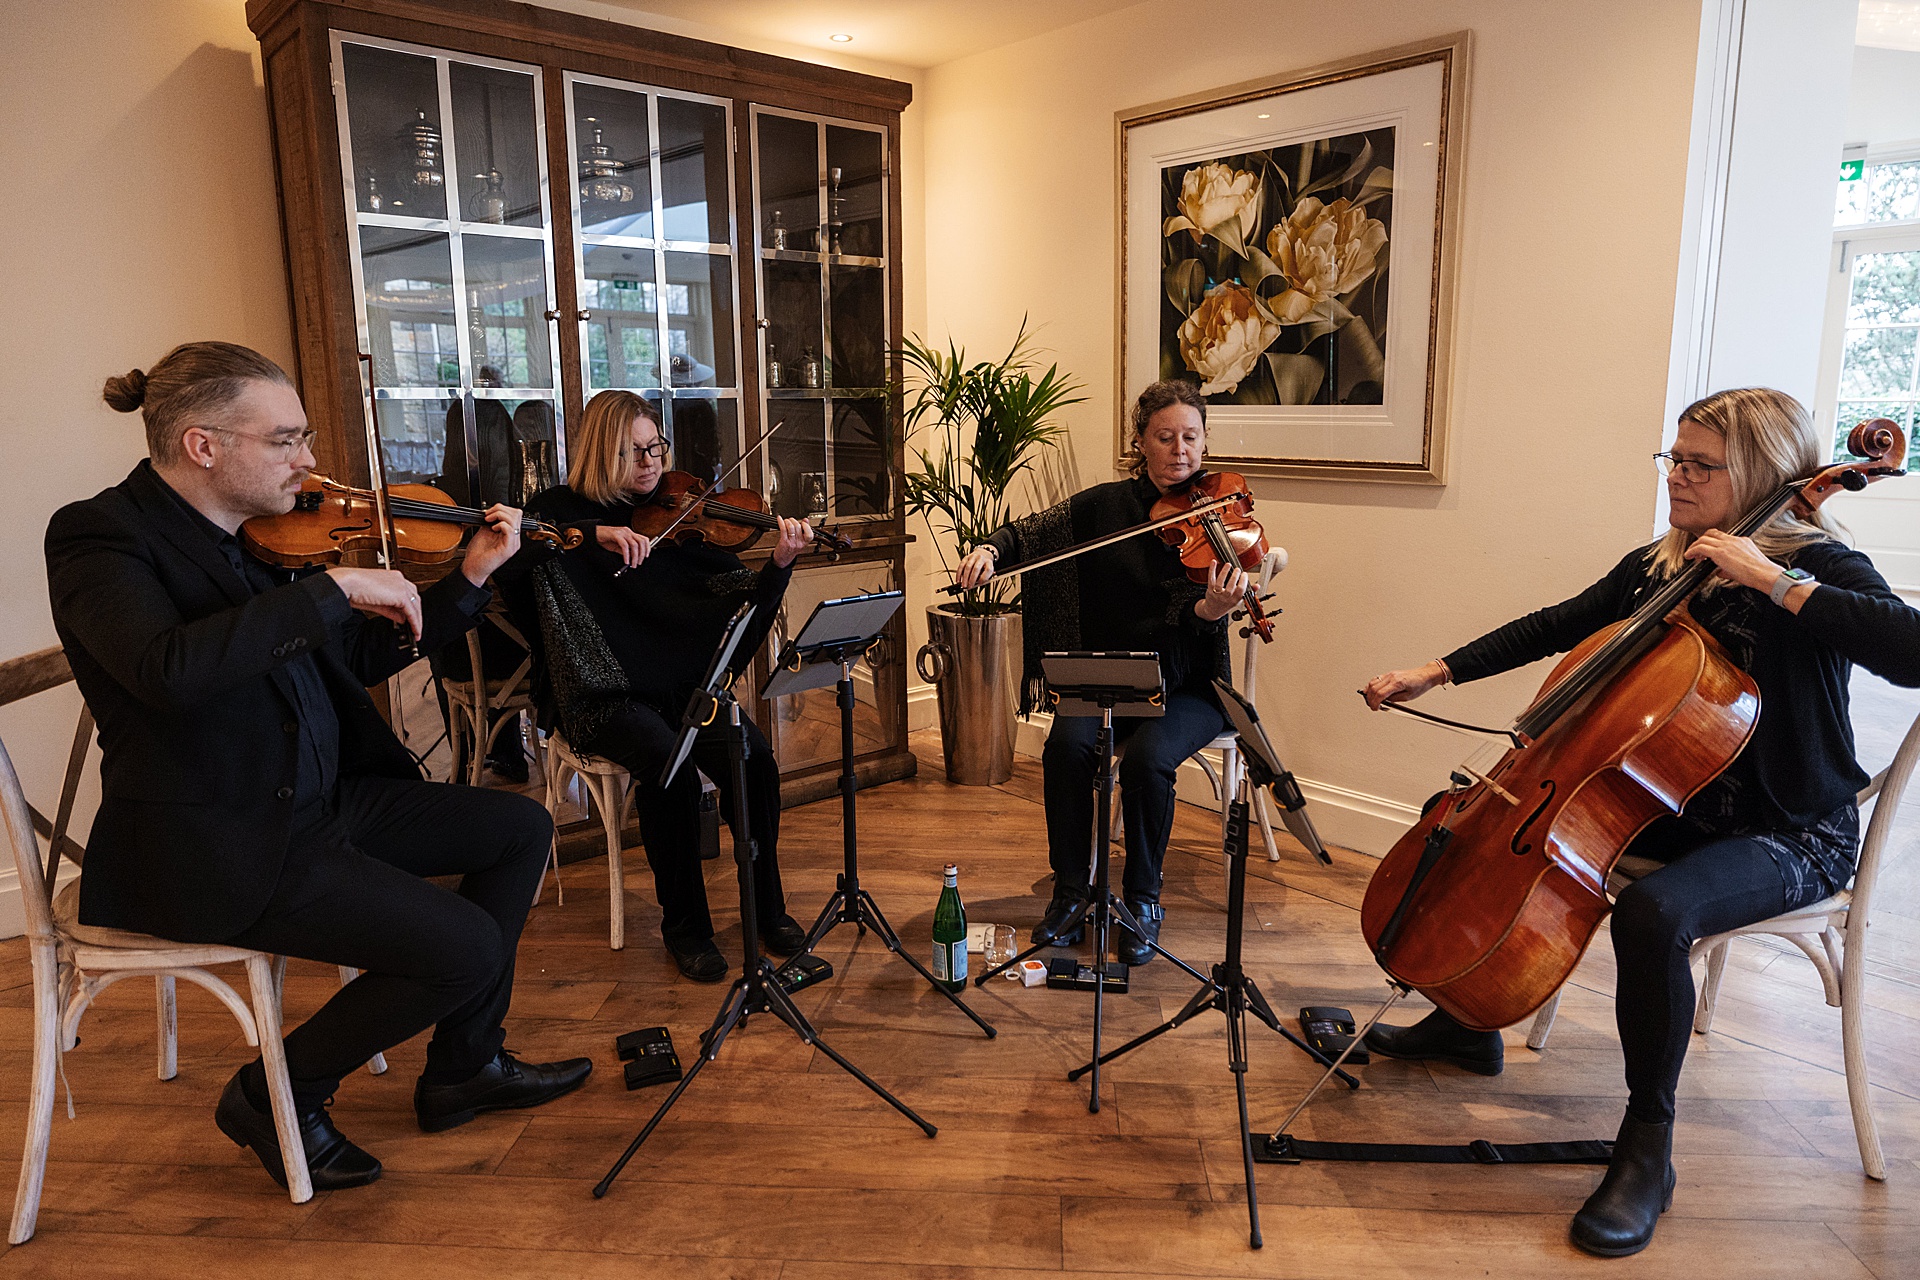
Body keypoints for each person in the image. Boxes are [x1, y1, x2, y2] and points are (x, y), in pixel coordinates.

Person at [1357, 387, 1920, 1258]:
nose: (1679, 479)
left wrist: (1773, 581)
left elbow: (1911, 652)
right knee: (1491, 832)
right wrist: (1436, 669)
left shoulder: (1819, 567)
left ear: (1763, 473)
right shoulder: (1662, 565)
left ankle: (1647, 1147)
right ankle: (1468, 1020)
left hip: (1787, 830)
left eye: (1701, 466)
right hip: (1673, 810)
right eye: (1675, 460)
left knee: (1656, 915)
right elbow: (1561, 624)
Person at [45, 341, 592, 1194]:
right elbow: (166, 671)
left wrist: (470, 579)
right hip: (220, 835)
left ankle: (465, 1066)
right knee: (463, 949)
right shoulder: (99, 536)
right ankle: (275, 1090)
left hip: (322, 802)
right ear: (204, 445)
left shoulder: (253, 544)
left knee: (518, 826)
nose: (309, 461)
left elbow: (356, 659)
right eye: (286, 440)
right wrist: (328, 590)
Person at [498, 390, 813, 982]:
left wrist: (779, 568)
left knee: (756, 761)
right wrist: (593, 535)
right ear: (599, 452)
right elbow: (504, 561)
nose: (649, 463)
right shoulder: (557, 513)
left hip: (683, 691)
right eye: (631, 451)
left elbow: (742, 616)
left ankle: (767, 908)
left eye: (655, 448)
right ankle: (685, 927)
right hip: (601, 694)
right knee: (667, 767)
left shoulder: (683, 520)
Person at [953, 379, 1253, 965]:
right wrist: (991, 550)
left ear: (1205, 442)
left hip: (1189, 684)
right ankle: (1070, 893)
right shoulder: (1104, 508)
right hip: (1108, 677)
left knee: (1147, 761)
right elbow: (1031, 532)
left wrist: (1211, 610)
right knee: (1065, 749)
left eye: (1190, 437)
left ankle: (1143, 901)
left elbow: (1192, 618)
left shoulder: (1220, 516)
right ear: (1140, 441)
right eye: (1165, 437)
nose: (1179, 451)